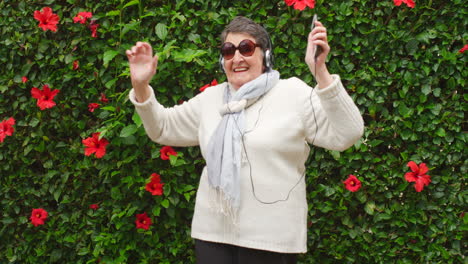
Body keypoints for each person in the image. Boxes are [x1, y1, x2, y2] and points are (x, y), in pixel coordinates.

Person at [126, 16, 363, 264]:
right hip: (213, 234)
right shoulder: (211, 99)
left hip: (271, 239)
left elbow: (348, 132)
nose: (237, 58)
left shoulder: (292, 93)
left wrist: (320, 72)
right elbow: (162, 128)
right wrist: (141, 87)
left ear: (266, 56)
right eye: (228, 51)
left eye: (246, 48)